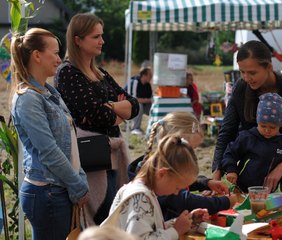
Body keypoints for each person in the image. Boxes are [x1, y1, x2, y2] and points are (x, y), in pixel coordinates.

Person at [55, 13, 139, 225]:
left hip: (111, 157)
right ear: (78, 40)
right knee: (102, 220)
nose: (102, 41)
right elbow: (98, 115)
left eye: (101, 35)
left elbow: (134, 105)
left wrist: (110, 107)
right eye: (96, 36)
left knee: (114, 217)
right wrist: (118, 110)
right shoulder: (68, 73)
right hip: (91, 158)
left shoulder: (100, 73)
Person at [10, 28, 89, 240]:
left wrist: (78, 179)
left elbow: (68, 143)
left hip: (58, 189)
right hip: (48, 193)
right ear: (37, 55)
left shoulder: (49, 92)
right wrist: (77, 184)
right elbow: (49, 152)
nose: (59, 58)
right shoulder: (28, 99)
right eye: (54, 53)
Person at [212, 40, 282, 192]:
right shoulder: (241, 88)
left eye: (252, 72)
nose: (246, 77)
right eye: (242, 72)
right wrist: (215, 178)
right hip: (252, 177)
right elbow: (226, 133)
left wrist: (281, 168)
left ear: (269, 67)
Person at [128, 112, 239, 220]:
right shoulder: (160, 171)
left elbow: (180, 184)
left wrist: (206, 183)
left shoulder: (162, 162)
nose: (191, 155)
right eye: (190, 149)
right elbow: (182, 200)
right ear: (176, 142)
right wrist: (225, 202)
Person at [103, 135, 209, 239]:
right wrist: (175, 231)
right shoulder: (140, 197)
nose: (176, 193)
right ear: (162, 174)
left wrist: (182, 222)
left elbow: (151, 229)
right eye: (177, 187)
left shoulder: (144, 191)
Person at [222, 93, 282, 193]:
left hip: (268, 194)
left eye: (273, 127)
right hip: (242, 190)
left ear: (280, 126)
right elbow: (230, 153)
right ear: (257, 122)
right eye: (263, 126)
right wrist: (231, 170)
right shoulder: (247, 137)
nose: (267, 130)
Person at [125, 66, 153, 135]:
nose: (151, 77)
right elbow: (133, 99)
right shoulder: (135, 82)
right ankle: (135, 128)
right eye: (150, 75)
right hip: (125, 104)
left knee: (153, 107)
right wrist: (148, 100)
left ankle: (153, 128)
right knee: (138, 105)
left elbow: (150, 99)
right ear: (144, 75)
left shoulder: (148, 85)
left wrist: (150, 101)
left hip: (142, 104)